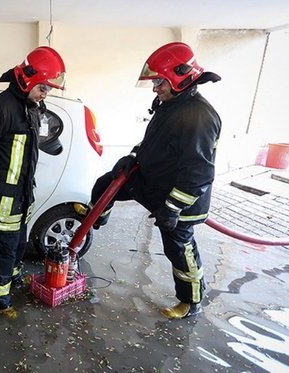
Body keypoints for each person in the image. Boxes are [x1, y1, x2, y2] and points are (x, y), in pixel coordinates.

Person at [84, 42, 222, 319]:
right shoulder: (171, 105)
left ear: (180, 77)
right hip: (154, 182)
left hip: (180, 199)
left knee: (179, 249)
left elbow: (199, 172)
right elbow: (154, 142)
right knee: (105, 184)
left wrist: (172, 208)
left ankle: (190, 301)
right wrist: (133, 157)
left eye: (160, 81)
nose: (155, 88)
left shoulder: (198, 116)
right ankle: (95, 220)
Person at [0, 46, 66, 319]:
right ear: (28, 79)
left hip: (21, 198)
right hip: (3, 199)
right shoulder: (0, 108)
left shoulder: (29, 105)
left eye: (49, 89)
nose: (46, 94)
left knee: (17, 246)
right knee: (1, 251)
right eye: (43, 88)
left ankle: (11, 281)